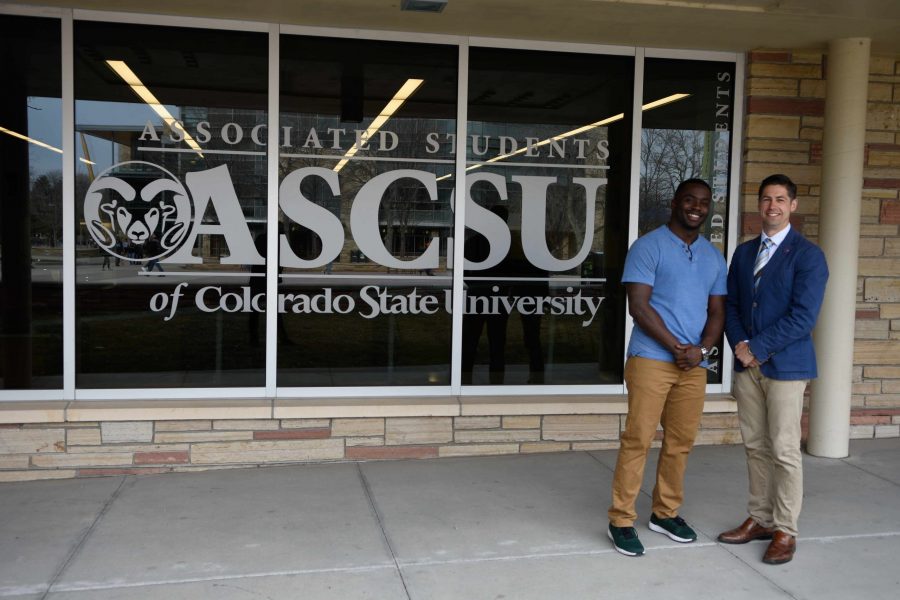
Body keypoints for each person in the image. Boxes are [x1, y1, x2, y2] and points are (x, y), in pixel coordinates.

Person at [607, 178, 726, 557]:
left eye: (704, 202)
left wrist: (702, 349)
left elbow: (718, 311)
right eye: (690, 200)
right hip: (651, 360)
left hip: (693, 364)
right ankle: (621, 519)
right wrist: (678, 347)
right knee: (638, 438)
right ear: (675, 202)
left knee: (680, 442)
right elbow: (638, 307)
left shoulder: (713, 256)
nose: (697, 207)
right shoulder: (648, 246)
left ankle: (665, 513)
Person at [717, 174, 828, 565]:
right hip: (749, 368)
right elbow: (730, 306)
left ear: (793, 205)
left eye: (781, 199)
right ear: (759, 204)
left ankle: (785, 529)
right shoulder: (744, 254)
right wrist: (740, 347)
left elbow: (804, 316)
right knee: (755, 446)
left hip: (786, 366)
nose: (773, 206)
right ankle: (760, 518)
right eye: (766, 199)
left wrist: (757, 348)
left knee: (783, 449)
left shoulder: (808, 256)